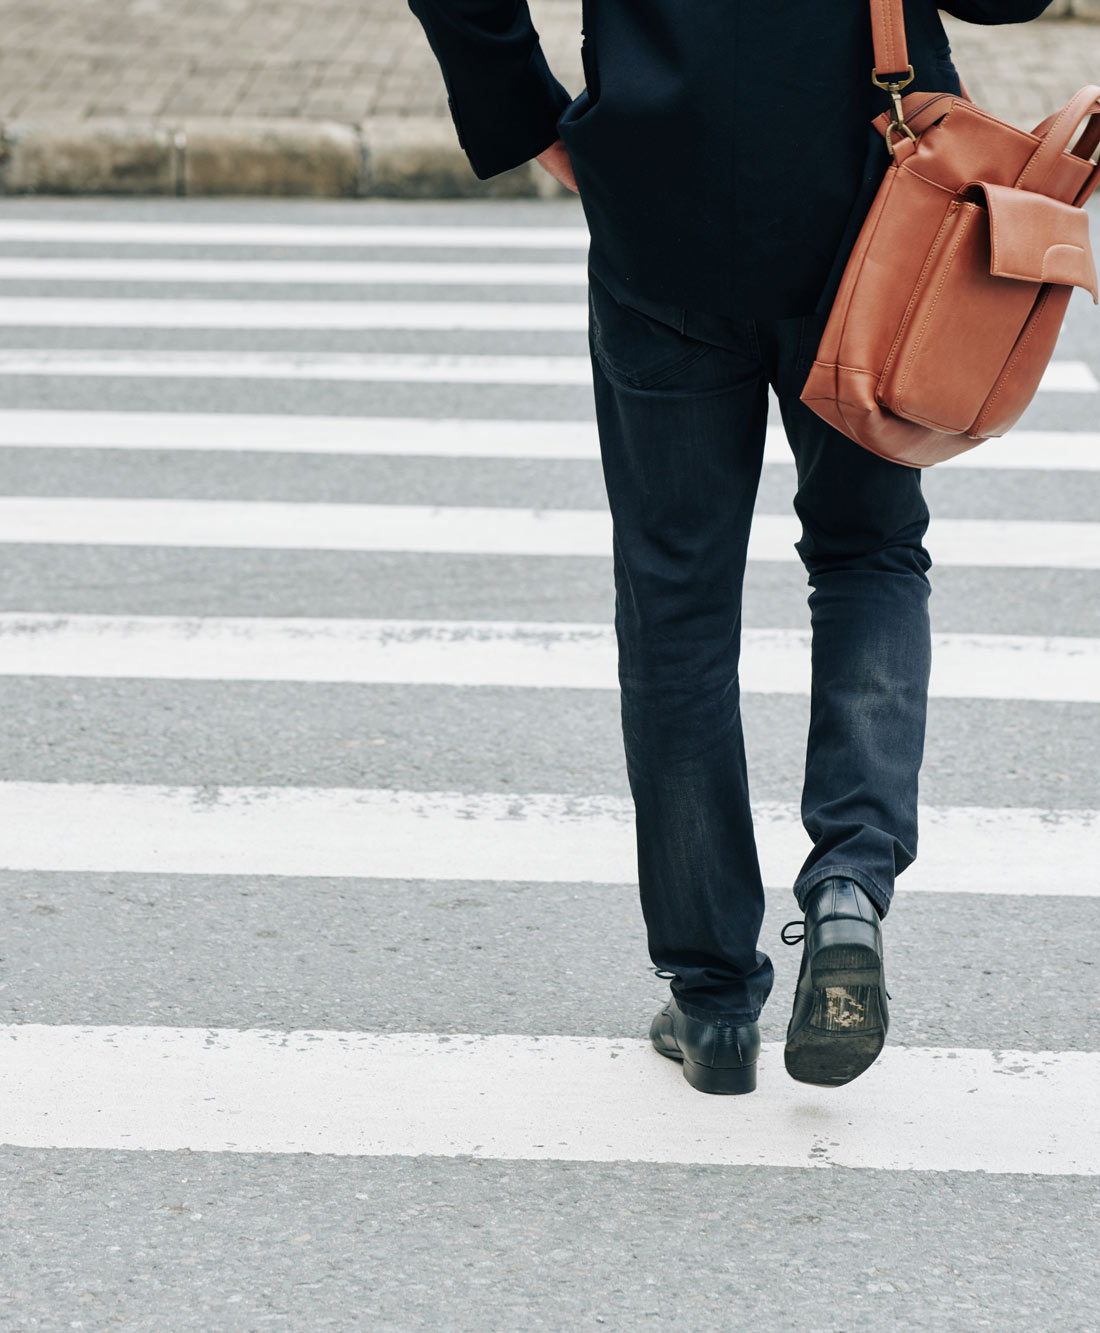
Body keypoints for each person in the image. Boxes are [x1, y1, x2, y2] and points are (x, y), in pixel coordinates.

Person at [406, 0, 1052, 1094]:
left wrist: (527, 115)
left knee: (674, 600)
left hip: (660, 192)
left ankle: (709, 1001)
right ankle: (849, 882)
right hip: (866, 198)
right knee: (866, 553)